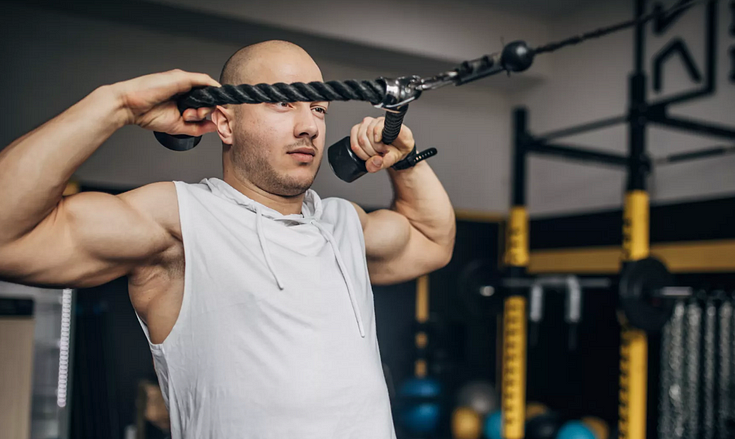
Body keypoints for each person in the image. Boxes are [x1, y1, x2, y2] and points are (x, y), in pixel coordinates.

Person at [0, 40, 456, 438]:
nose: (310, 126)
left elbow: (431, 240)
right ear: (225, 123)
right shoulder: (179, 221)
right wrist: (116, 105)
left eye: (318, 108)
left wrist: (406, 158)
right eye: (285, 102)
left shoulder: (343, 224)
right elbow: (8, 237)